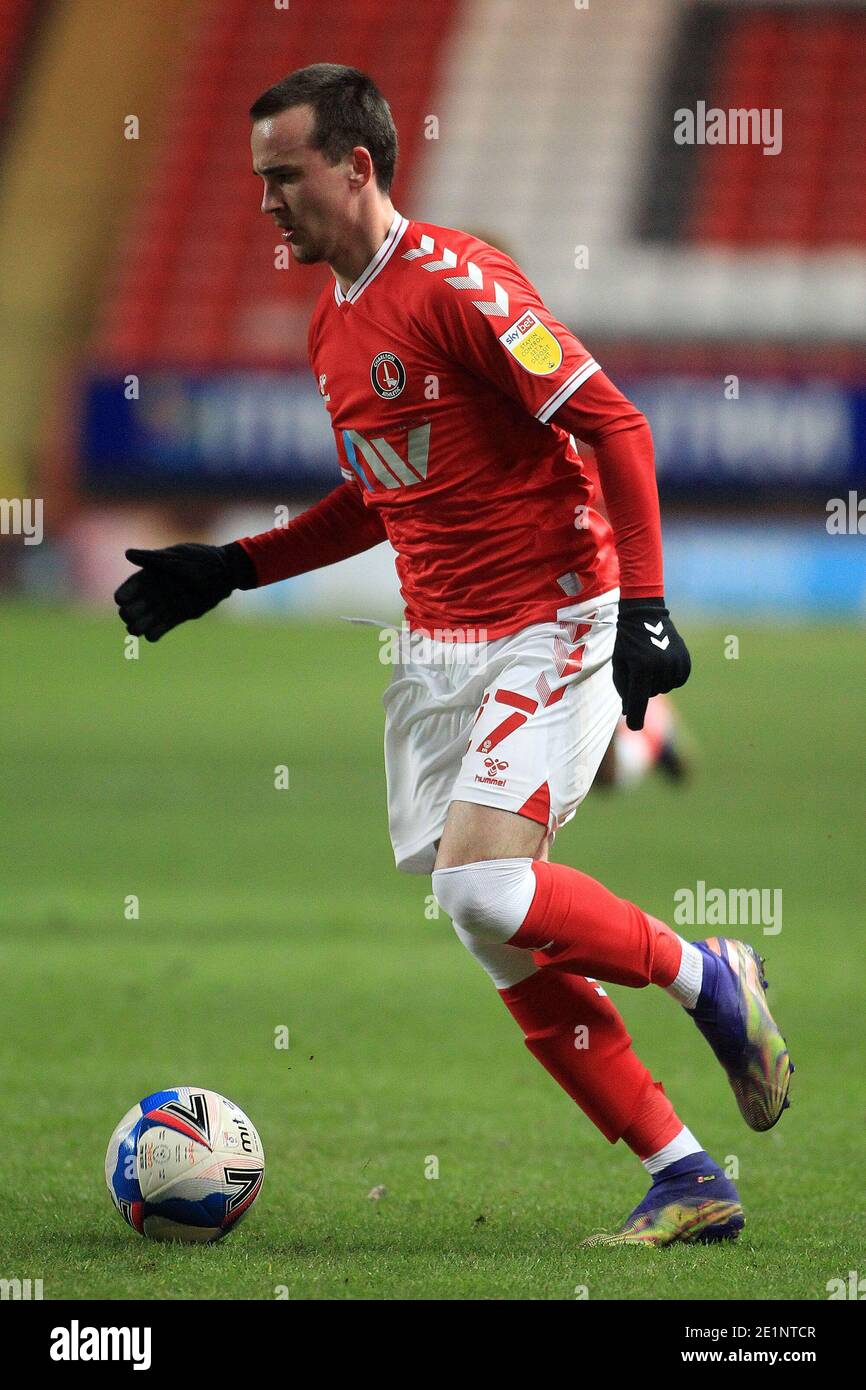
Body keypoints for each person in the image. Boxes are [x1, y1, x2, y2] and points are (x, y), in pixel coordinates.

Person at [115, 63, 792, 1246]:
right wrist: (231, 566)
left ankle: (707, 973)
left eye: (285, 176)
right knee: (484, 921)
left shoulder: (458, 285)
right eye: (257, 181)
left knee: (480, 884)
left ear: (356, 166)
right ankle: (685, 1173)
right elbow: (381, 498)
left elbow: (614, 423)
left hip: (555, 615)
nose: (265, 202)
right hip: (440, 649)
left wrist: (643, 607)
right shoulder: (332, 323)